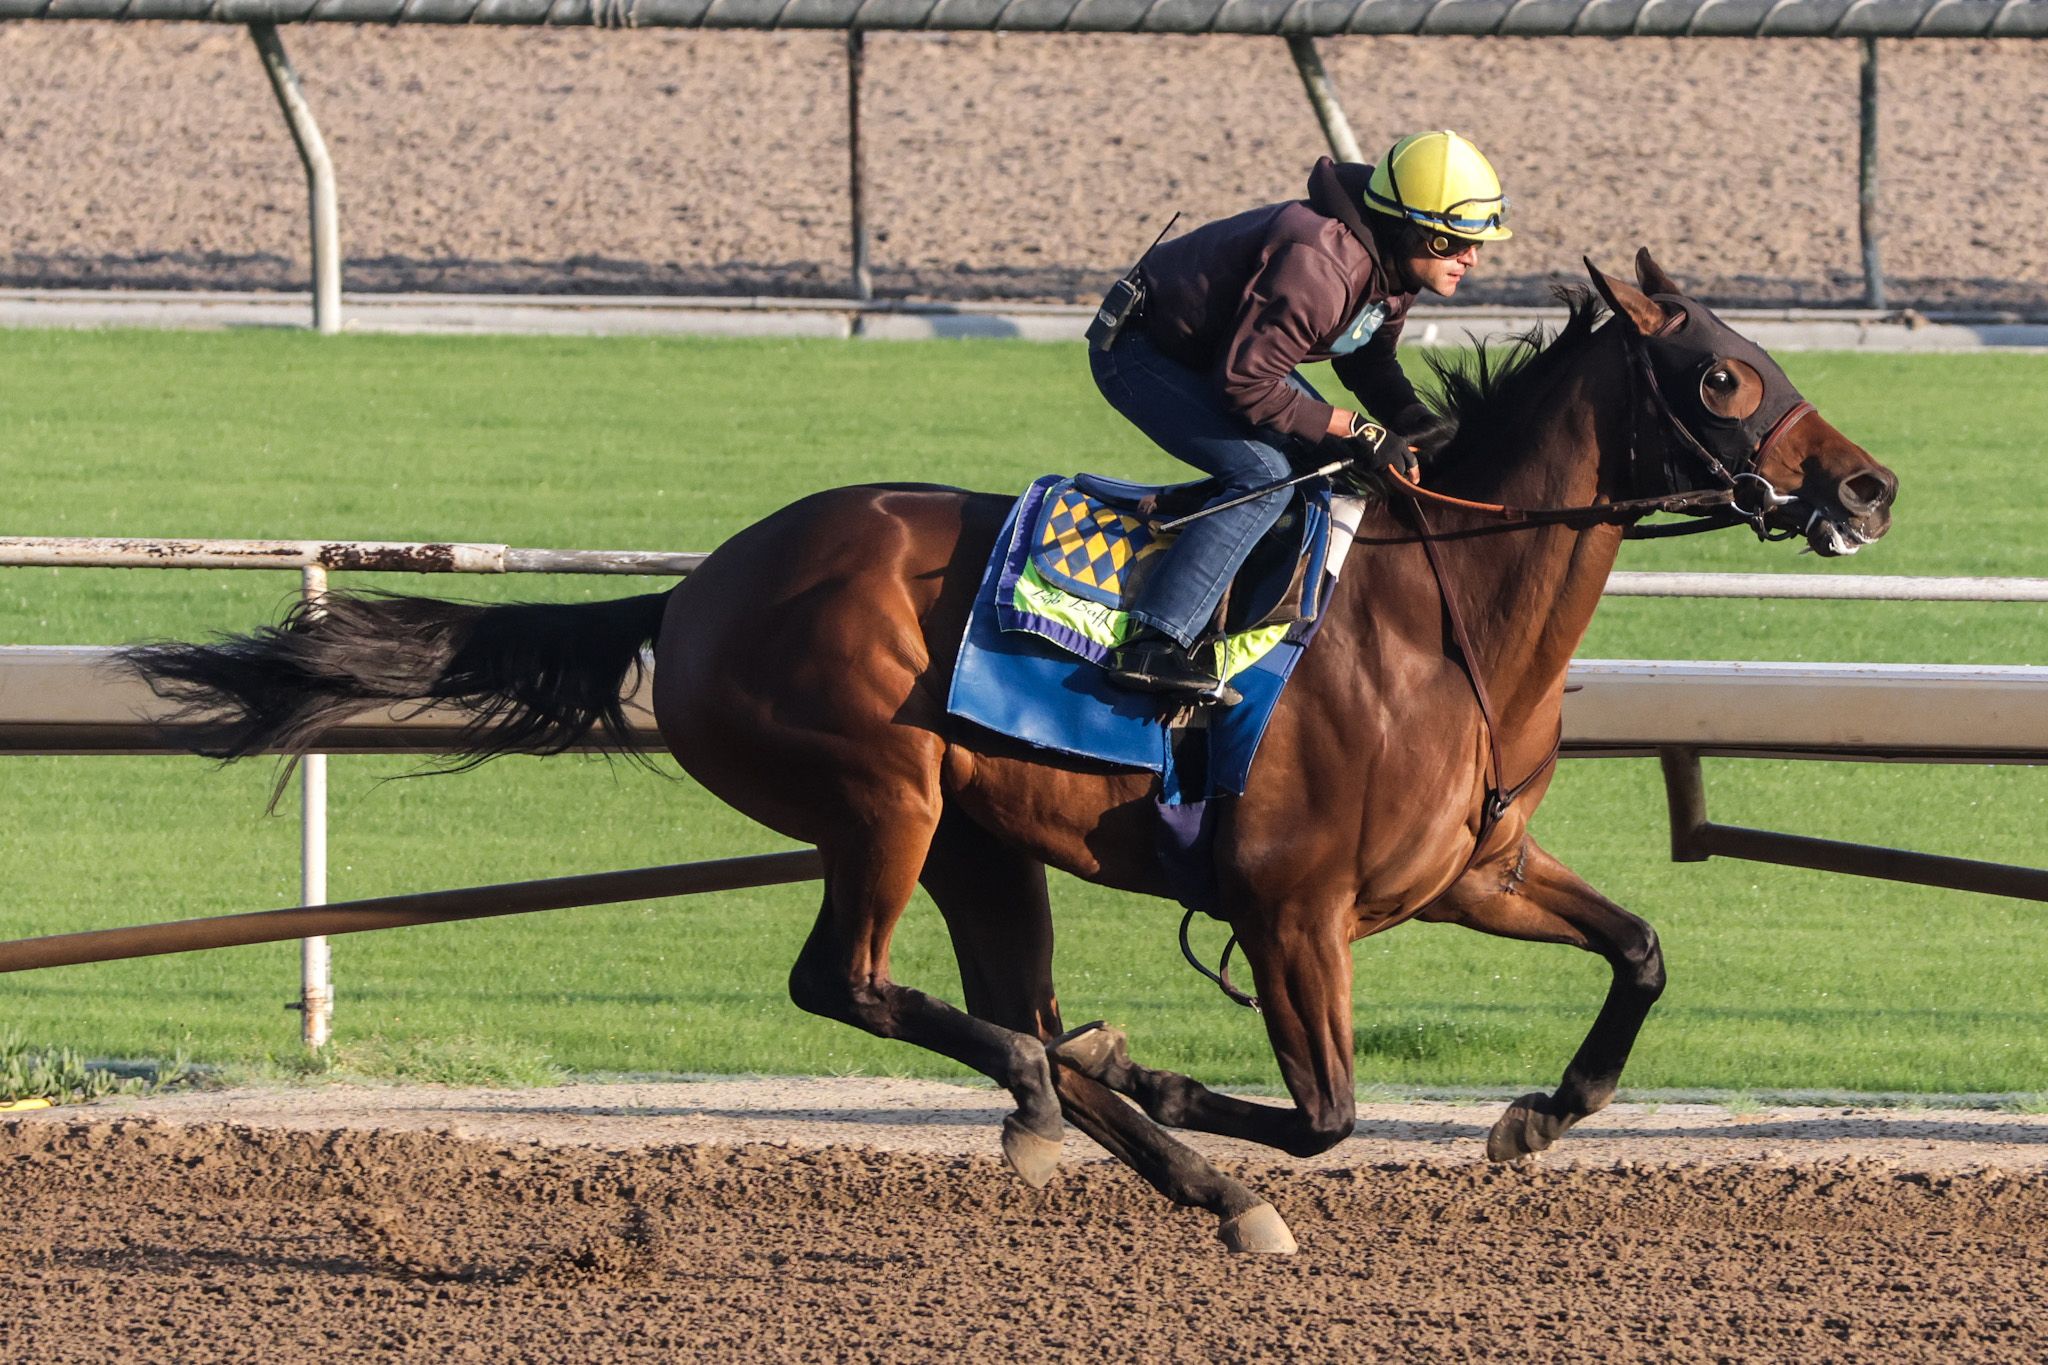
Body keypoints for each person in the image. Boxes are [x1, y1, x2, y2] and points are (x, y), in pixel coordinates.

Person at [1088, 130, 1512, 703]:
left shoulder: (1393, 266)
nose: (1470, 259)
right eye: (1452, 242)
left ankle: (1221, 547)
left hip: (1225, 354)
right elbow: (1245, 386)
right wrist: (1358, 427)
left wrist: (1412, 420)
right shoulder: (1321, 265)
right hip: (1144, 351)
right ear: (1406, 229)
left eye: (1474, 243)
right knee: (1265, 479)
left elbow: (1368, 358)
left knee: (1333, 464)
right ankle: (1155, 643)